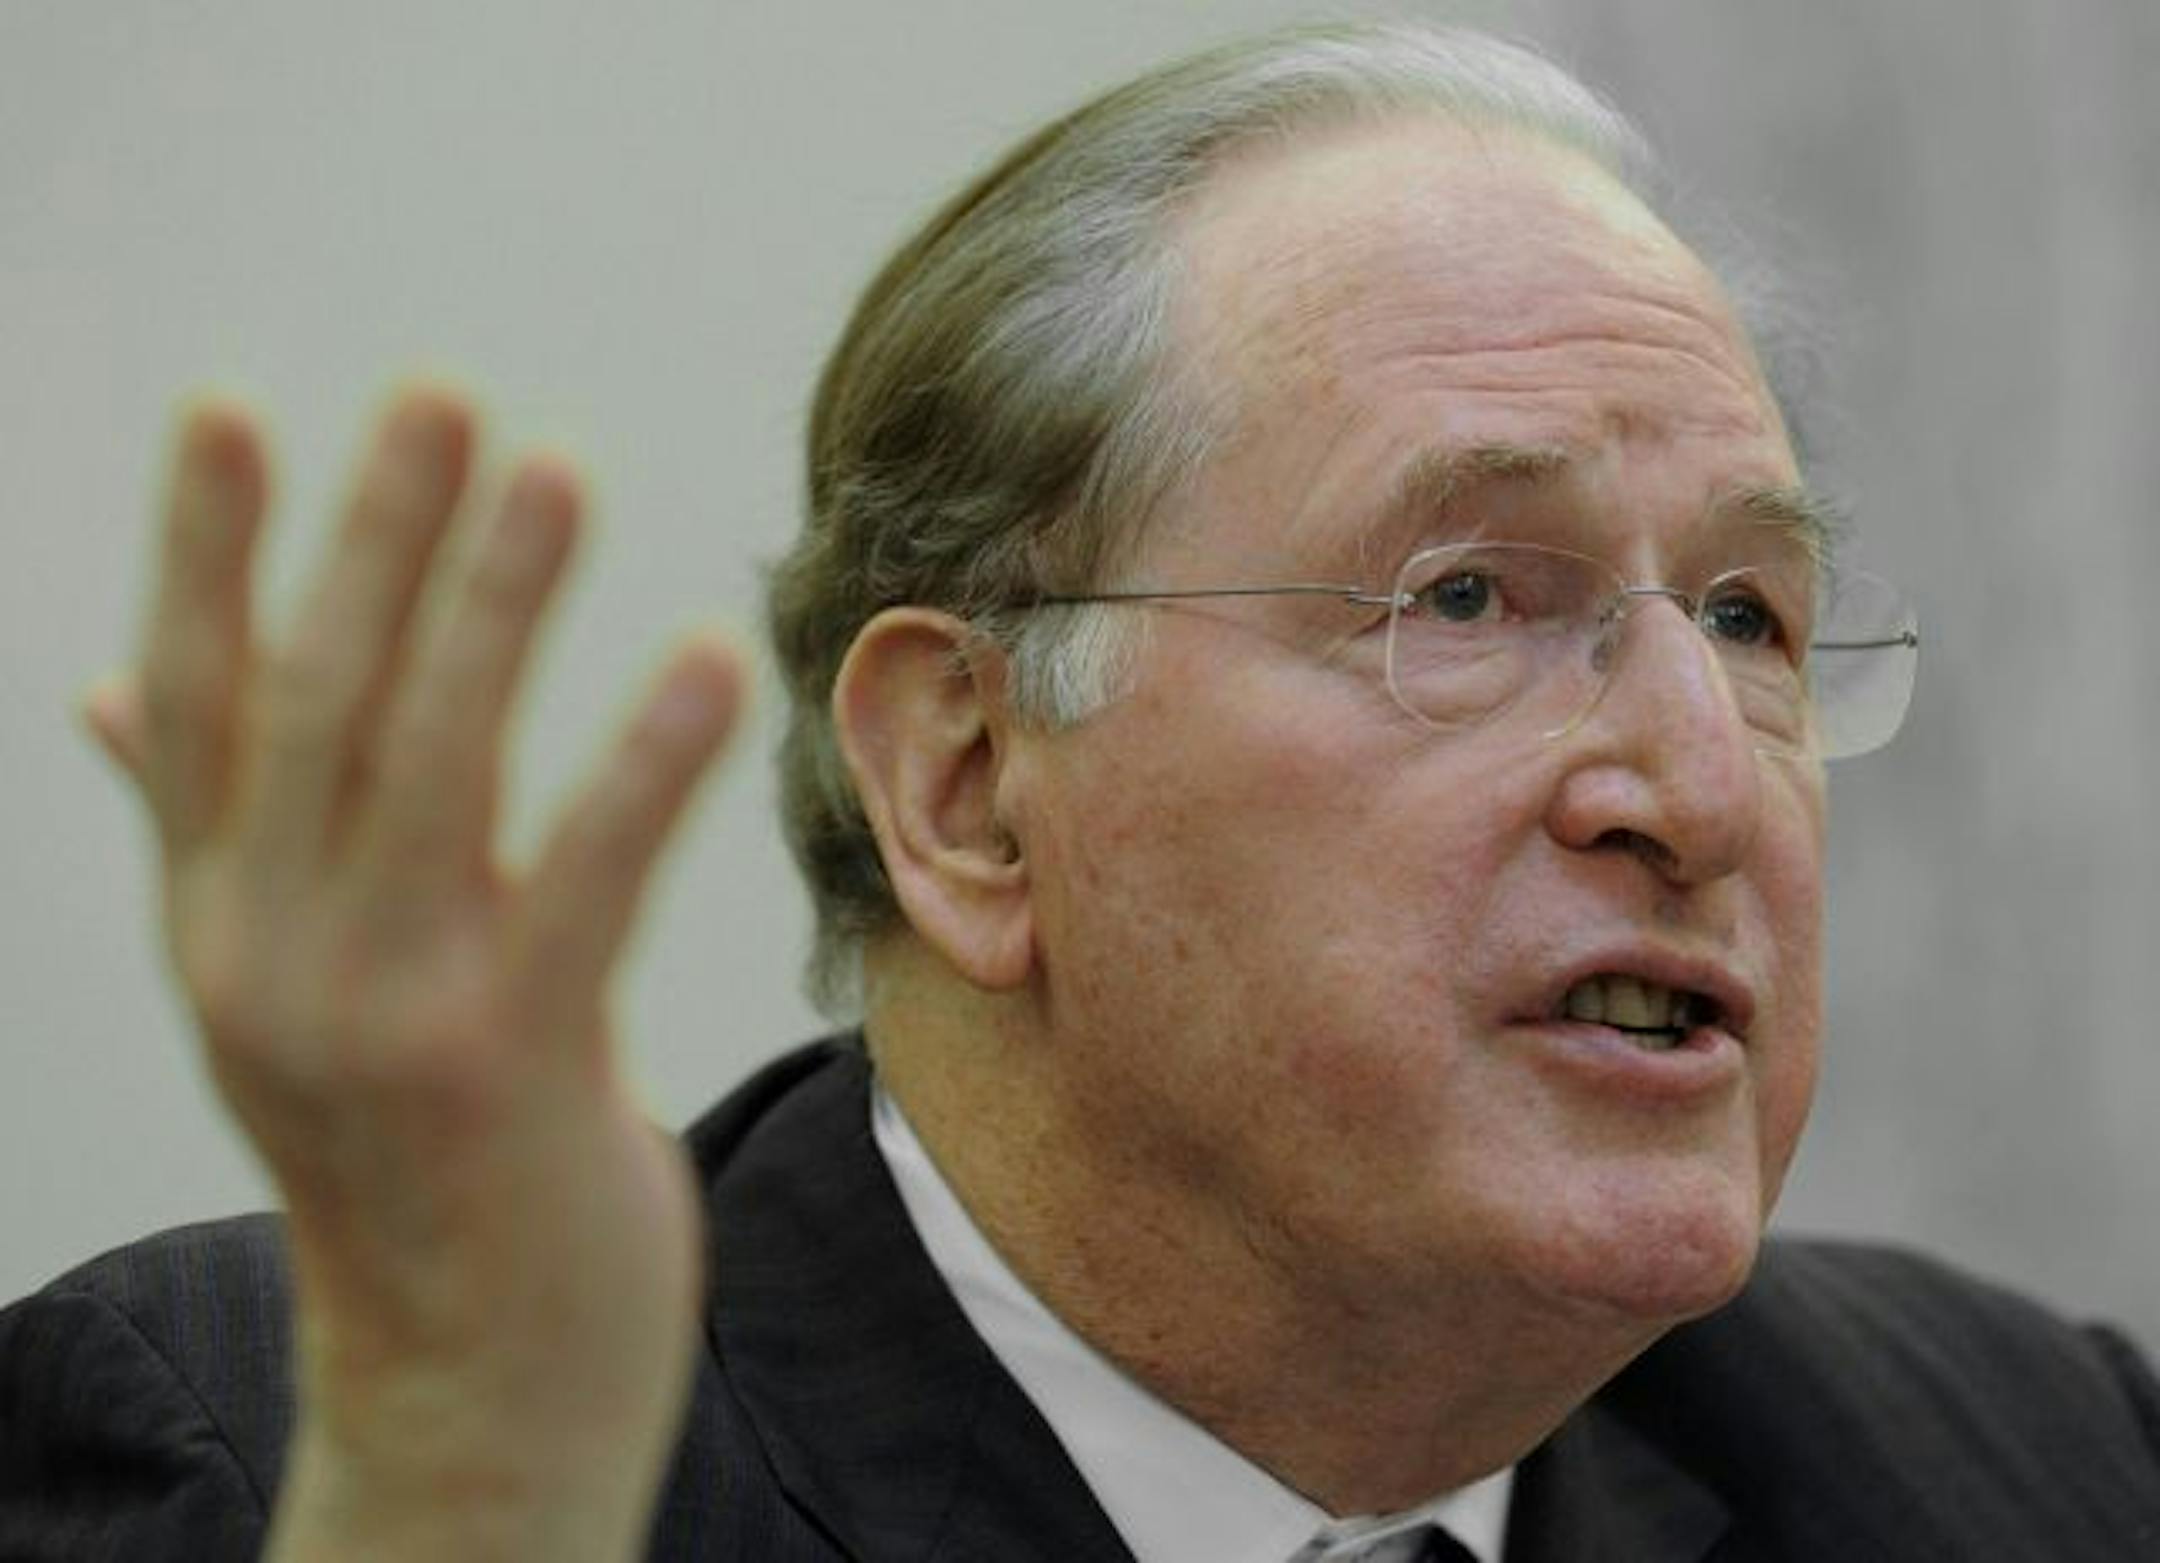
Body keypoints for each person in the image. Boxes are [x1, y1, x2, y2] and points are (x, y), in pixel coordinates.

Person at [2, 21, 2155, 1562]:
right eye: (1474, 592)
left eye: (1756, 618)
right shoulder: (304, 1452)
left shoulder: (2035, 1464)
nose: (1696, 783)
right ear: (965, 784)